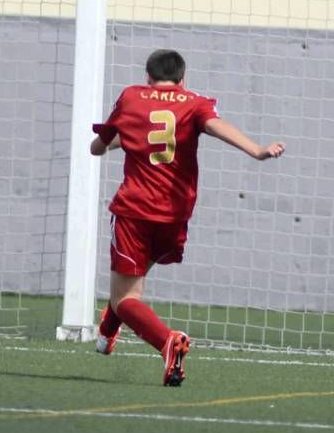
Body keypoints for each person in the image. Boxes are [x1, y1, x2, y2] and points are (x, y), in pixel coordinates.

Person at [90, 49, 285, 386]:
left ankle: (167, 341)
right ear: (182, 79)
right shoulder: (193, 102)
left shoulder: (131, 96)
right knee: (130, 279)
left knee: (126, 297)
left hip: (134, 210)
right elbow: (216, 126)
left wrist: (102, 146)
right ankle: (107, 333)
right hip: (174, 214)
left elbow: (102, 144)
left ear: (147, 77)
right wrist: (257, 150)